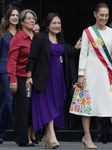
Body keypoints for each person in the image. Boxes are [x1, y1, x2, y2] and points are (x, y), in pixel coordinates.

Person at [69, 2, 112, 149]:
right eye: (101, 15)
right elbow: (83, 54)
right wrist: (80, 75)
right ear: (95, 14)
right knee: (87, 106)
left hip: (108, 74)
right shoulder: (88, 31)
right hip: (90, 73)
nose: (104, 18)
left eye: (106, 15)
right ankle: (87, 137)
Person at [26, 13, 81, 149]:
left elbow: (63, 57)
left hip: (58, 78)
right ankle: (52, 136)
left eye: (59, 23)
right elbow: (32, 58)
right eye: (54, 23)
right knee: (48, 106)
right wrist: (29, 76)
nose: (57, 26)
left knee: (55, 106)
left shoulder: (60, 39)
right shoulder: (40, 38)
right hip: (44, 78)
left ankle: (45, 138)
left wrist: (75, 48)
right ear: (47, 24)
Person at [7, 9, 37, 147]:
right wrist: (13, 79)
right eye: (29, 18)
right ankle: (22, 138)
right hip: (20, 76)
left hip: (34, 77)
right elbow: (12, 60)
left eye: (34, 19)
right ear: (22, 22)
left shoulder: (37, 36)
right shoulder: (18, 38)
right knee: (22, 108)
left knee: (32, 108)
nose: (32, 21)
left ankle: (32, 135)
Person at [0, 6, 20, 144]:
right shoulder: (2, 33)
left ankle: (0, 133)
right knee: (11, 99)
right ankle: (20, 133)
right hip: (4, 70)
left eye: (17, 15)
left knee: (6, 103)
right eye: (12, 15)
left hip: (18, 70)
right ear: (8, 17)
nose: (15, 17)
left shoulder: (21, 32)